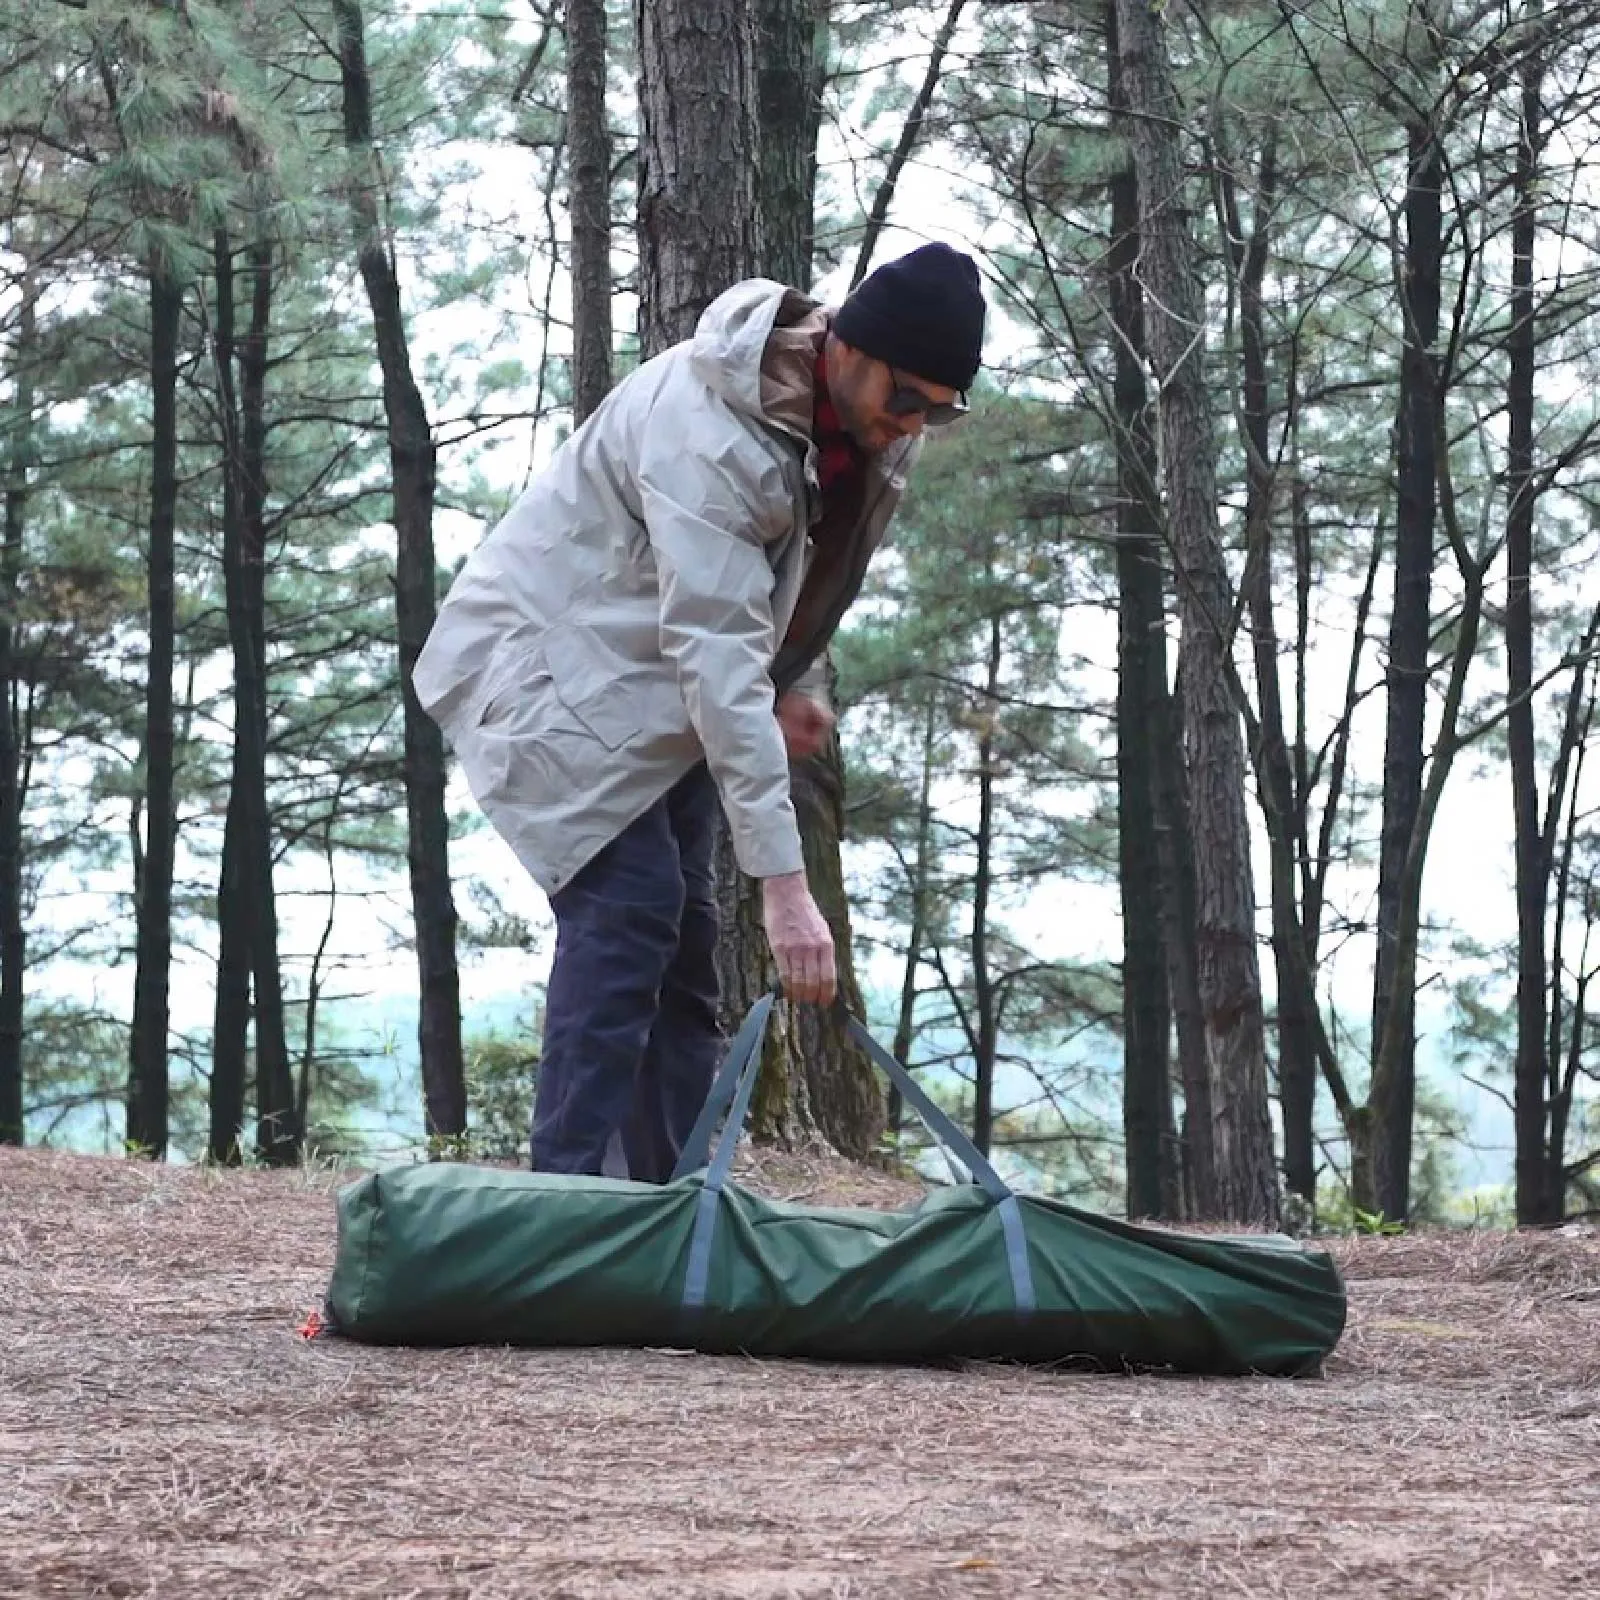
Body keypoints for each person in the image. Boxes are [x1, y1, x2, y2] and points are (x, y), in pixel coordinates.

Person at [412, 242, 987, 1181]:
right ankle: (560, 1208)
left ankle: (673, 1212)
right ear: (848, 346)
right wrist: (787, 885)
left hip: (642, 686)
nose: (915, 424)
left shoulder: (842, 430)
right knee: (630, 916)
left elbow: (790, 587)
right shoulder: (714, 431)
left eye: (941, 409)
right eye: (908, 398)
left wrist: (797, 684)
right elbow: (716, 654)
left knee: (685, 954)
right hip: (543, 673)